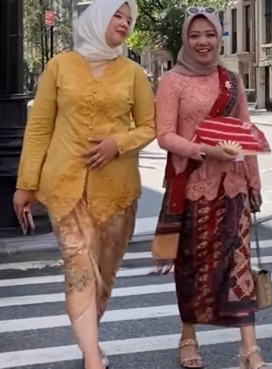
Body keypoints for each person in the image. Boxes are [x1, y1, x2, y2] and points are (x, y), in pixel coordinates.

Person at [12, 1, 154, 368]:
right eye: (117, 15)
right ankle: (92, 358)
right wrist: (25, 185)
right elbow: (40, 127)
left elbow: (150, 126)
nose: (124, 23)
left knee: (102, 277)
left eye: (128, 18)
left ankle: (90, 338)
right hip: (64, 187)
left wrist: (116, 144)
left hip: (117, 191)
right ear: (96, 19)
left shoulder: (133, 72)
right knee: (78, 268)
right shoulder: (59, 67)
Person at [151, 8, 269, 369]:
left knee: (239, 265)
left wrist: (254, 183)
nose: (203, 42)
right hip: (193, 188)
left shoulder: (232, 79)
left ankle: (249, 347)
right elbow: (164, 135)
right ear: (186, 39)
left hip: (232, 188)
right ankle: (188, 335)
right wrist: (203, 151)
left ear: (220, 38)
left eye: (210, 35)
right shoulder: (172, 81)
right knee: (192, 266)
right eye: (195, 35)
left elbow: (246, 133)